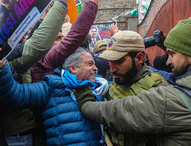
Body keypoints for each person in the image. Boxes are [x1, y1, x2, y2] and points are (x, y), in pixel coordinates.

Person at [71, 17, 191, 145]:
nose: (112, 69)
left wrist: (85, 102)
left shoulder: (160, 90)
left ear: (139, 58)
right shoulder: (112, 84)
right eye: (110, 62)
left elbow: (118, 112)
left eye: (119, 61)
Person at [0, 45, 108, 145]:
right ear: (73, 68)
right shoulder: (52, 86)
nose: (95, 68)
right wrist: (0, 66)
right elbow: (15, 94)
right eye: (90, 64)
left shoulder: (100, 89)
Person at [0, 0, 70, 145]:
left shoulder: (11, 54)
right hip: (15, 136)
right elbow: (38, 44)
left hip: (25, 130)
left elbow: (36, 41)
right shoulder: (2, 59)